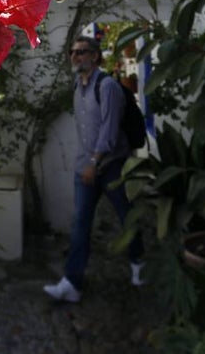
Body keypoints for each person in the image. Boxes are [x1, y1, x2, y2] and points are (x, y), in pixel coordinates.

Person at [44, 35, 144, 303]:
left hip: (111, 166)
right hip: (85, 166)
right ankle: (72, 282)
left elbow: (109, 132)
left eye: (81, 52)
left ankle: (139, 263)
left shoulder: (108, 86)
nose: (75, 57)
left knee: (127, 216)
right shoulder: (78, 87)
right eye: (72, 52)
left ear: (95, 56)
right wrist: (85, 163)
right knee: (80, 225)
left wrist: (94, 162)